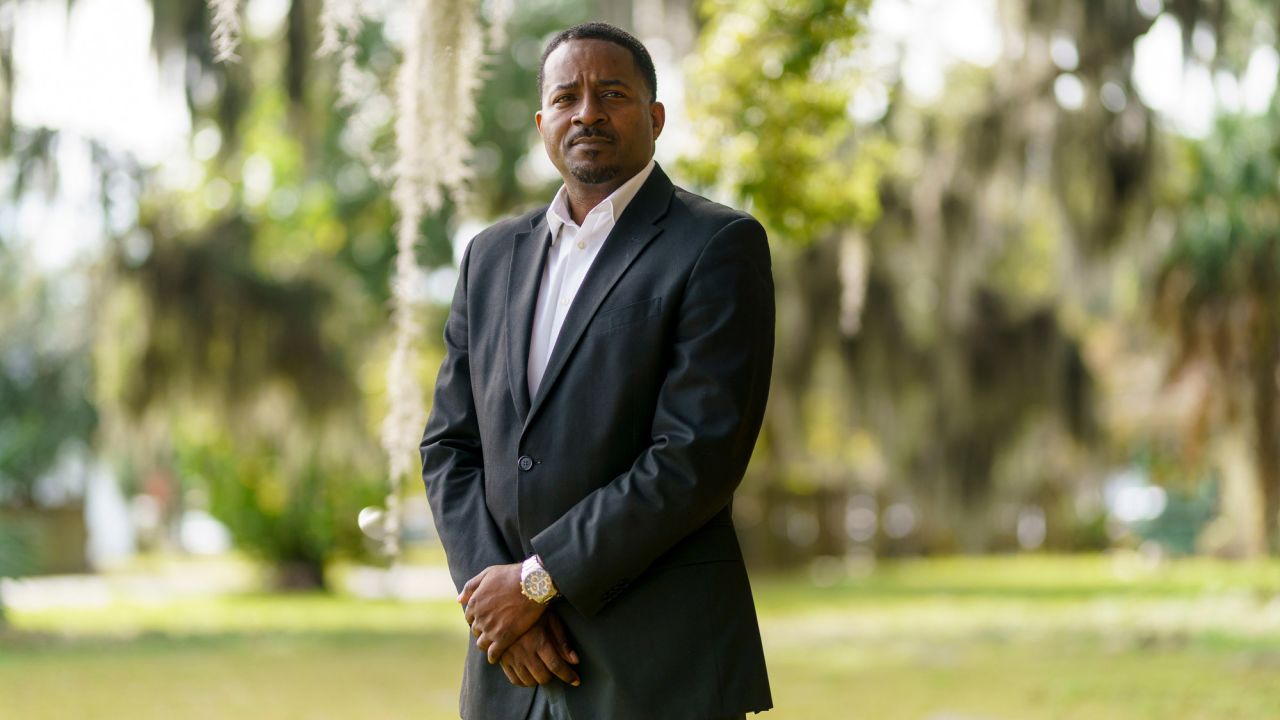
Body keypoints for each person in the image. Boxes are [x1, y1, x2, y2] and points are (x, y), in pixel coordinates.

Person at [420, 21, 774, 720]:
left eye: (612, 93)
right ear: (542, 120)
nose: (588, 111)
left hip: (656, 669)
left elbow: (694, 457)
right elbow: (448, 447)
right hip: (509, 673)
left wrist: (536, 582)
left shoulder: (717, 246)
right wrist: (497, 602)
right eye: (567, 96)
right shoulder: (489, 257)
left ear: (655, 117)